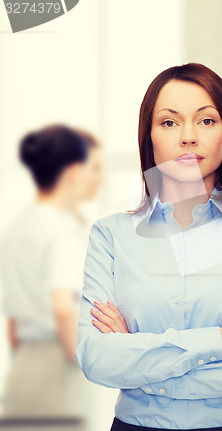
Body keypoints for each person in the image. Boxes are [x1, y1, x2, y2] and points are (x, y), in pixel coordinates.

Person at [74, 62, 222, 431]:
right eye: (169, 122)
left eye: (207, 121)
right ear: (149, 136)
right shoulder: (111, 236)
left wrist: (141, 362)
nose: (189, 136)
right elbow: (97, 358)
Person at [0, 124, 103, 428]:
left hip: (23, 370)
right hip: (58, 371)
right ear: (73, 171)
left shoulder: (17, 227)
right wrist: (84, 362)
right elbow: (63, 306)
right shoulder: (62, 232)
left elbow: (13, 323)